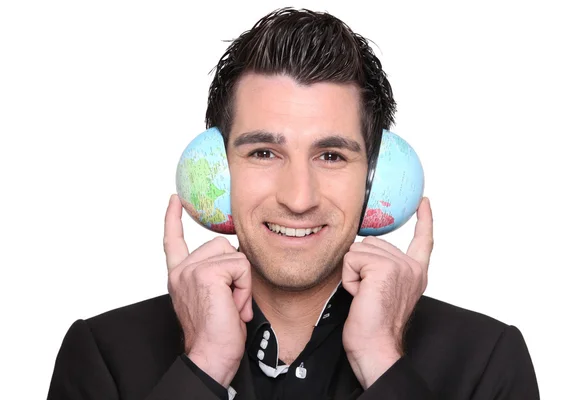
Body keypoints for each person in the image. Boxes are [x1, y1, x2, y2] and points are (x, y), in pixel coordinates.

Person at [47, 7, 539, 400]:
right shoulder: (103, 355)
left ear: (378, 177)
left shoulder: (486, 361)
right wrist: (203, 369)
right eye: (264, 152)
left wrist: (381, 361)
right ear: (214, 171)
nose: (298, 198)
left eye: (331, 155)